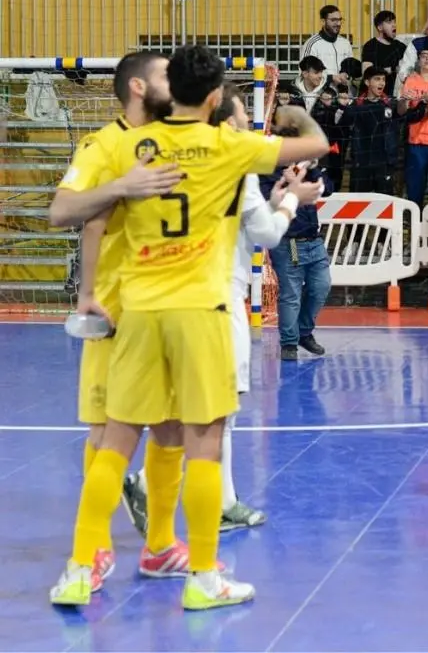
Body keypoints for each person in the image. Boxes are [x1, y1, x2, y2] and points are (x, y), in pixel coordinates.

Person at [49, 45, 329, 609]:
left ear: (166, 89)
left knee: (125, 440)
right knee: (204, 441)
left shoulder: (128, 148)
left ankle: (95, 561)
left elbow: (94, 219)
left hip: (139, 310)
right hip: (198, 309)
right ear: (210, 96)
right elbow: (315, 144)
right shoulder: (226, 145)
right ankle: (203, 576)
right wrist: (291, 124)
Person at [120, 84, 323, 536]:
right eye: (237, 119)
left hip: (173, 293)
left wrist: (276, 198)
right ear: (221, 118)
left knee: (207, 407)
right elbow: (268, 236)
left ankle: (219, 499)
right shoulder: (234, 161)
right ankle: (159, 494)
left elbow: (243, 226)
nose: (243, 126)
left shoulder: (178, 158)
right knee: (215, 406)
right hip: (216, 296)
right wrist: (293, 200)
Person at [47, 51, 185, 591]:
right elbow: (62, 211)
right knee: (108, 432)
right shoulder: (101, 145)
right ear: (136, 85)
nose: (172, 84)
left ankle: (160, 545)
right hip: (116, 312)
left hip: (170, 307)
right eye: (163, 76)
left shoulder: (179, 139)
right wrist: (122, 187)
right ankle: (95, 550)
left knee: (172, 424)